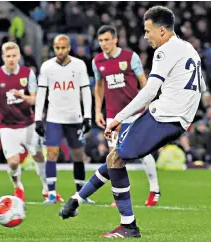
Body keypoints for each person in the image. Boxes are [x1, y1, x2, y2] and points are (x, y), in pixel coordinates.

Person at [59, 6, 206, 238]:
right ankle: (77, 199)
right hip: (178, 120)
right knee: (115, 156)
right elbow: (202, 89)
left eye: (148, 31)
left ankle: (128, 225)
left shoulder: (164, 51)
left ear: (163, 31)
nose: (145, 36)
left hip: (162, 116)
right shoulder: (190, 50)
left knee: (117, 159)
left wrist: (118, 118)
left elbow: (149, 90)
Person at [60, 25, 161, 208]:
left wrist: (147, 104)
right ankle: (121, 195)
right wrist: (98, 111)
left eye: (107, 40)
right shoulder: (97, 61)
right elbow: (98, 86)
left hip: (134, 113)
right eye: (101, 41)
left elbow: (143, 82)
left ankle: (154, 190)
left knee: (143, 153)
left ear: (115, 39)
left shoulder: (130, 57)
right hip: (112, 116)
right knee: (114, 157)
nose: (104, 44)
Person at [0, 41, 48, 202]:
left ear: (19, 56)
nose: (11, 59)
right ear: (3, 57)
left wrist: (23, 96)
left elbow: (35, 100)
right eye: (8, 56)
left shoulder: (28, 73)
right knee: (14, 162)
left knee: (38, 156)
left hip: (28, 124)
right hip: (7, 126)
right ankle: (17, 186)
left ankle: (46, 187)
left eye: (14, 56)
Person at [35, 34, 94, 204]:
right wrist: (38, 118)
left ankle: (81, 194)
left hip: (74, 117)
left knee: (78, 155)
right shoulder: (47, 67)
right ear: (54, 48)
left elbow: (85, 91)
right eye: (57, 48)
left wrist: (87, 116)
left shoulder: (79, 65)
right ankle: (52, 193)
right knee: (52, 153)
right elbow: (41, 93)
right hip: (54, 118)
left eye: (63, 47)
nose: (60, 51)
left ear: (69, 48)